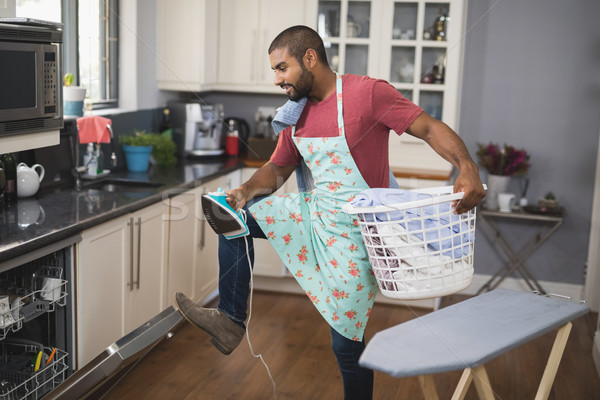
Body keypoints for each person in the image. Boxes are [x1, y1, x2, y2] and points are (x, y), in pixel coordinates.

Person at [175, 25, 485, 399]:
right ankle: (230, 320)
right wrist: (242, 192)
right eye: (274, 71)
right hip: (315, 214)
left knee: (345, 345)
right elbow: (277, 169)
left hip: (360, 233)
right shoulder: (296, 113)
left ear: (310, 58)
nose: (277, 79)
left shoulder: (368, 93)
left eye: (282, 68)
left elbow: (430, 128)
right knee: (232, 217)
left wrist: (466, 166)